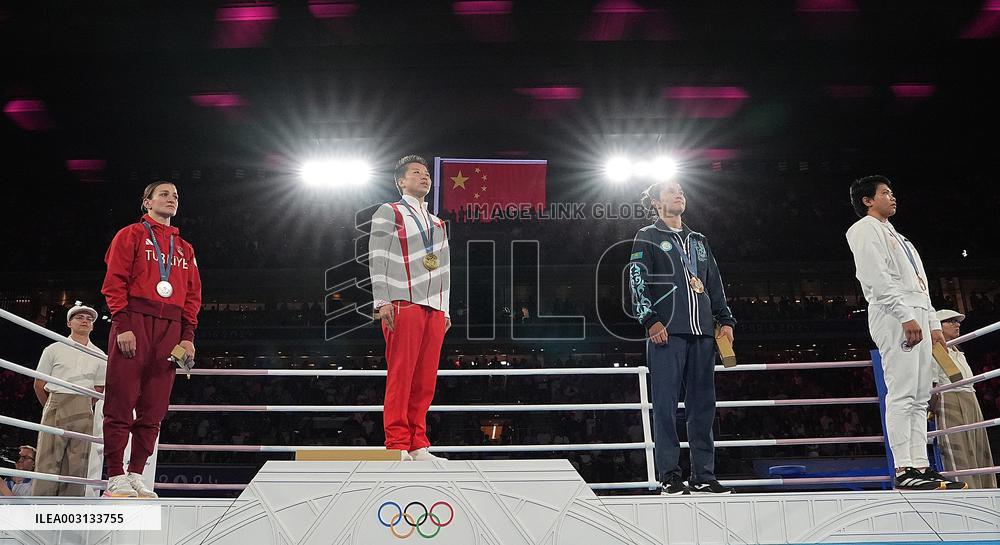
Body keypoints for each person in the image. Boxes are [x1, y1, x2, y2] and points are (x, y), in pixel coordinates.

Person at [846, 175, 965, 490]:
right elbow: (875, 278)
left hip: (918, 315)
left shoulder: (901, 238)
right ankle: (904, 468)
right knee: (902, 393)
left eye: (892, 192)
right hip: (894, 315)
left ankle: (920, 465)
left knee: (921, 395)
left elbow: (920, 286)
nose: (892, 197)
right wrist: (904, 316)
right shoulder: (863, 230)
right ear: (867, 200)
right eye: (885, 193)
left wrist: (934, 325)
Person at [628, 179, 736, 495]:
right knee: (664, 406)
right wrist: (650, 320)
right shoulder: (647, 236)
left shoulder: (699, 240)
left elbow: (714, 282)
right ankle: (670, 475)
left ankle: (703, 474)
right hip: (667, 333)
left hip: (703, 333)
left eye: (683, 191)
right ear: (656, 203)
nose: (680, 194)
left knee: (703, 406)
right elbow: (637, 281)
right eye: (672, 191)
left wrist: (725, 319)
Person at [101, 181, 202, 497]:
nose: (172, 198)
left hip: (171, 330)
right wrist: (122, 323)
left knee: (154, 407)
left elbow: (193, 297)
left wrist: (187, 337)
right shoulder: (129, 235)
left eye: (176, 195)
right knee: (121, 400)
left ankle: (136, 473)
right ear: (146, 202)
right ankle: (115, 474)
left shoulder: (185, 249)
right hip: (134, 322)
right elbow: (113, 282)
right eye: (164, 194)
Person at [368, 155, 451, 461]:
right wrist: (382, 299)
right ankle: (397, 443)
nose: (424, 177)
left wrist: (446, 308)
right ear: (400, 181)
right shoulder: (388, 212)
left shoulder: (438, 223)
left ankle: (418, 443)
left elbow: (444, 268)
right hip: (402, 300)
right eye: (416, 173)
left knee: (425, 379)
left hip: (434, 306)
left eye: (427, 174)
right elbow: (377, 255)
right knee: (401, 375)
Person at [32, 305, 107, 496]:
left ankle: (69, 513)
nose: (84, 321)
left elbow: (99, 387)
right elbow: (39, 383)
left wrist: (83, 405)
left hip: (84, 406)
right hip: (56, 401)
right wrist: (51, 406)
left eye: (89, 319)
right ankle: (40, 511)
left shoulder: (100, 355)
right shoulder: (54, 348)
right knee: (47, 460)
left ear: (92, 326)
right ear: (69, 323)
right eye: (79, 317)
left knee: (78, 464)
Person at [931, 309, 996, 488]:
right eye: (950, 321)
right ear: (937, 326)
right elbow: (939, 382)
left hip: (970, 397)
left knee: (979, 447)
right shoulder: (934, 349)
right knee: (958, 448)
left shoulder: (958, 350)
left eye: (957, 321)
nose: (957, 324)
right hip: (950, 398)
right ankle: (966, 490)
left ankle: (987, 488)